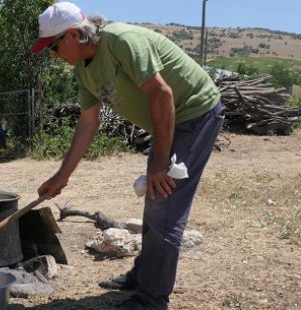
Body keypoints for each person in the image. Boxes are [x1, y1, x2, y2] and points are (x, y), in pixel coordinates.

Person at [31, 3, 224, 310]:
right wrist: (61, 177)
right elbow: (88, 124)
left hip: (195, 113)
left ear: (72, 34)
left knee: (165, 205)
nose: (53, 55)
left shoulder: (121, 42)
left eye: (54, 47)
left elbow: (163, 94)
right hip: (168, 121)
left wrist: (160, 163)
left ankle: (151, 299)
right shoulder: (83, 71)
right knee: (154, 199)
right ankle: (144, 276)